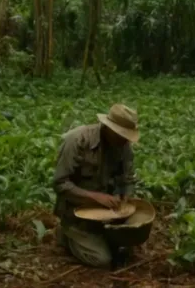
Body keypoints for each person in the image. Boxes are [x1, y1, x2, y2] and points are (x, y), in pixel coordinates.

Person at [53, 104, 139, 268]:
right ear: (109, 128)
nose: (124, 140)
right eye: (121, 135)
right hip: (76, 213)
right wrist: (95, 197)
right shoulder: (78, 140)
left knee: (126, 250)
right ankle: (66, 235)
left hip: (107, 213)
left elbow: (127, 179)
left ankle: (99, 236)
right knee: (102, 259)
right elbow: (60, 183)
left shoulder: (123, 146)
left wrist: (125, 196)